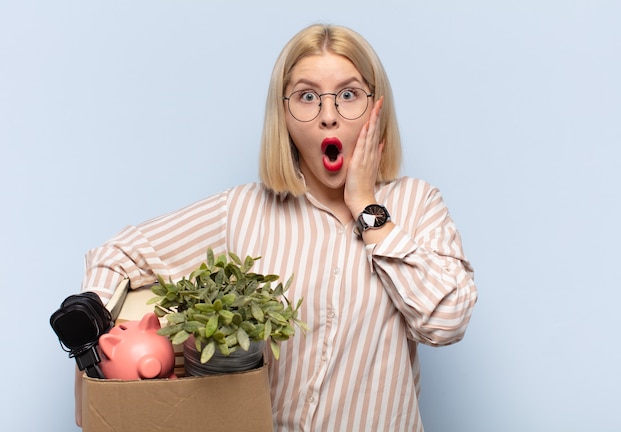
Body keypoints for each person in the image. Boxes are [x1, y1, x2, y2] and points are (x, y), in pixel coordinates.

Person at [77, 23, 477, 431]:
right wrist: (92, 330)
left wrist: (367, 208)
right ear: (283, 114)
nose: (328, 117)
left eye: (348, 95)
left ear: (377, 107)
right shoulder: (241, 210)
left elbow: (446, 322)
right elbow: (117, 255)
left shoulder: (417, 203)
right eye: (307, 97)